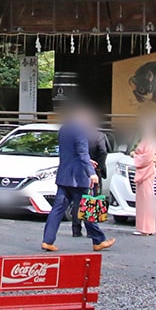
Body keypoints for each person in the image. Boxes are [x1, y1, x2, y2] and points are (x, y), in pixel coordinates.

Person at [41, 104, 115, 252]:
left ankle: (47, 240)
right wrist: (92, 173)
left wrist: (88, 162)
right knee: (87, 207)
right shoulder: (80, 130)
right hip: (78, 177)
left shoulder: (64, 129)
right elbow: (82, 153)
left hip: (64, 175)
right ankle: (98, 240)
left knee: (57, 209)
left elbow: (70, 153)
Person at [71, 127, 107, 237]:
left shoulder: (75, 134)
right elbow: (103, 151)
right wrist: (99, 167)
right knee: (92, 199)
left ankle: (76, 229)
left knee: (78, 200)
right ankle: (91, 230)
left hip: (79, 170)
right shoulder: (98, 136)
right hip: (94, 170)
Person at [131, 114, 156, 237]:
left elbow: (147, 157)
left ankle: (145, 228)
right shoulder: (151, 139)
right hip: (148, 170)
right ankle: (146, 227)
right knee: (145, 199)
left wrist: (135, 155)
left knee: (145, 200)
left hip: (146, 171)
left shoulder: (149, 139)